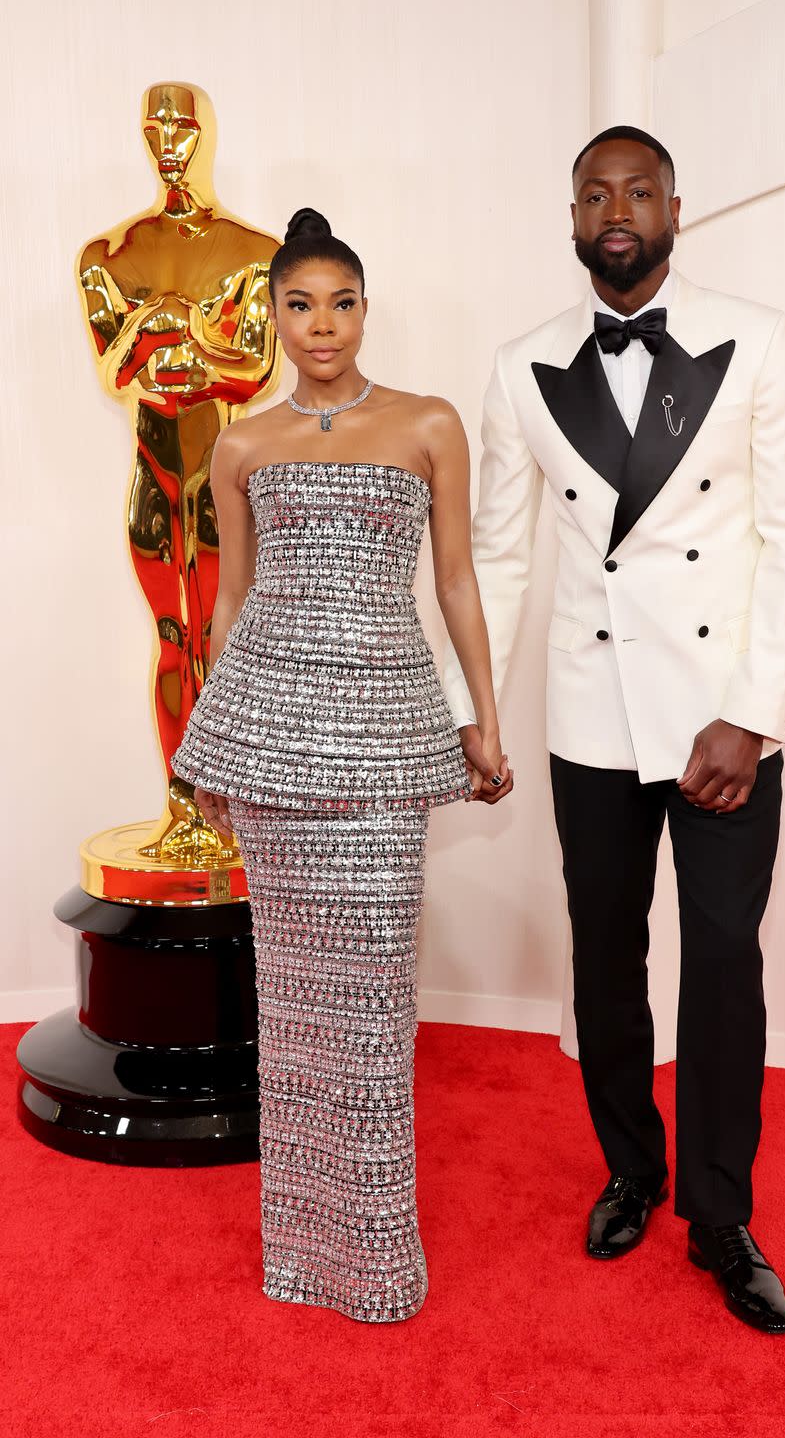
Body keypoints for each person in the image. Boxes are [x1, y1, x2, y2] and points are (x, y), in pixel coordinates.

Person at [443, 127, 785, 1335]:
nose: (619, 210)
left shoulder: (759, 339)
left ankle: (720, 1213)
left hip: (724, 717)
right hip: (590, 711)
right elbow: (500, 554)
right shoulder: (520, 366)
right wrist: (478, 711)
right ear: (571, 218)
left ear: (677, 206)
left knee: (723, 964)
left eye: (640, 190)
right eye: (595, 194)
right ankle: (632, 1169)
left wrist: (753, 714)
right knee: (605, 961)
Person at [172, 207, 513, 1323]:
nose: (322, 325)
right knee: (293, 1005)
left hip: (380, 742)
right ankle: (300, 1258)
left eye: (342, 302)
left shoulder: (428, 424)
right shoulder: (242, 443)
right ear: (270, 315)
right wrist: (216, 740)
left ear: (369, 309)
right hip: (269, 740)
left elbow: (455, 582)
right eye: (299, 305)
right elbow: (230, 603)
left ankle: (373, 1261)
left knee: (369, 1000)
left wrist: (483, 720)